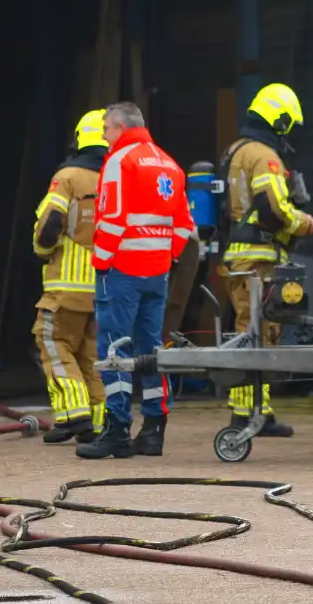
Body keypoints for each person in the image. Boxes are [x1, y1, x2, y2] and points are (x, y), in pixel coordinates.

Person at [76, 101, 195, 459]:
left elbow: (111, 218)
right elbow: (185, 226)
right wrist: (165, 256)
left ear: (120, 128)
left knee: (114, 350)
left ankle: (116, 431)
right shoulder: (169, 164)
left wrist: (101, 262)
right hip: (156, 274)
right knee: (150, 352)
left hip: (122, 271)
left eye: (106, 129)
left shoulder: (119, 160)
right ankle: (154, 431)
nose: (103, 136)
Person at [217, 83, 313, 437]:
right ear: (279, 120)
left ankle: (259, 411)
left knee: (256, 331)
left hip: (240, 256)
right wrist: (305, 223)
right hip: (258, 260)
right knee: (255, 334)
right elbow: (273, 206)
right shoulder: (264, 155)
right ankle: (246, 415)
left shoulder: (236, 150)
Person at [31, 108, 110, 445]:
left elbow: (49, 226)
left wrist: (42, 250)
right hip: (105, 287)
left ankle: (74, 412)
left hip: (65, 286)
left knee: (53, 344)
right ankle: (93, 423)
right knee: (91, 356)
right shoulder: (116, 177)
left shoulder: (67, 177)